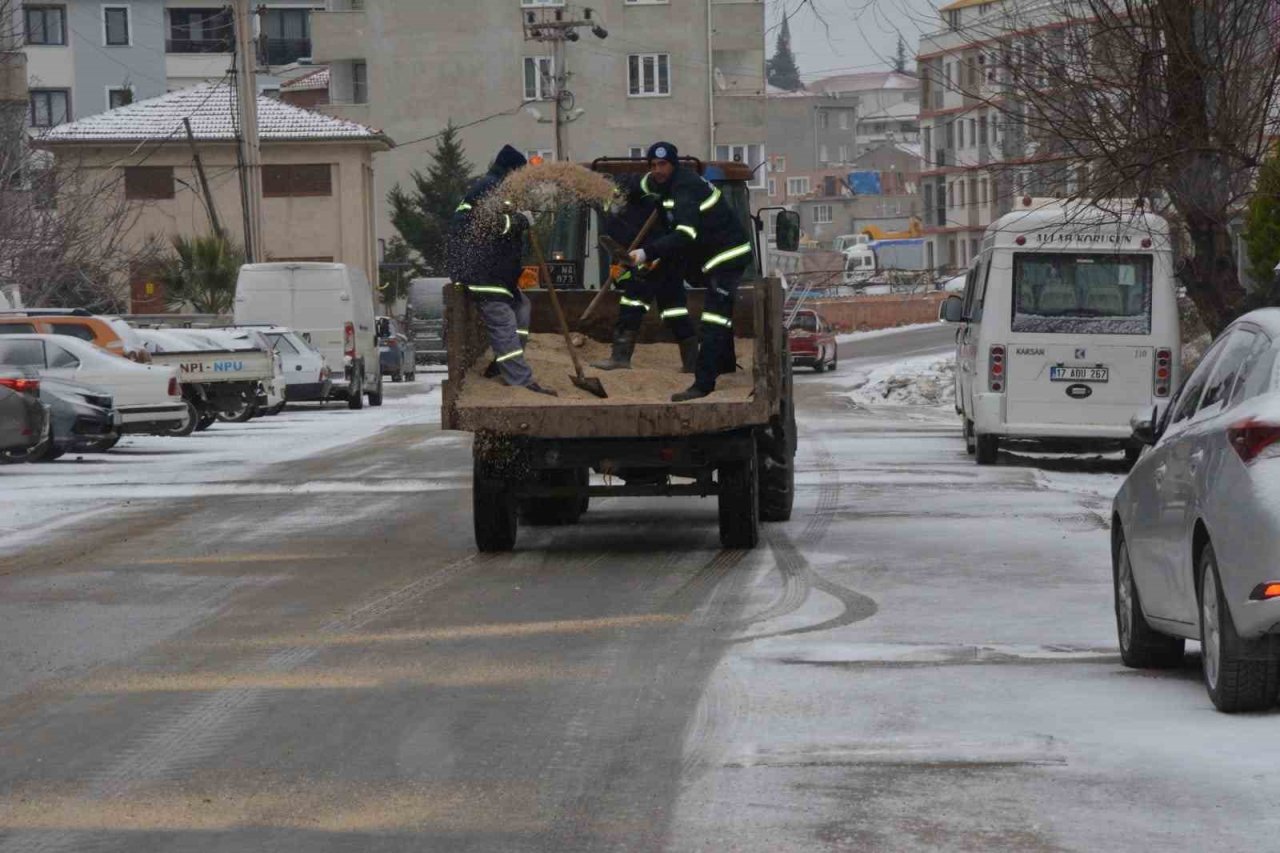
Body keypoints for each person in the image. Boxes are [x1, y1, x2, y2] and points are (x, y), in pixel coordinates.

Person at [630, 141, 754, 402]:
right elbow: (639, 186)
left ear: (673, 165)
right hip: (706, 255)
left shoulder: (685, 187)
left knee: (713, 320)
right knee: (717, 311)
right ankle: (726, 363)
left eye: (662, 165)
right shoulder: (658, 182)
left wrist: (645, 253)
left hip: (727, 255)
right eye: (653, 165)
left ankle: (703, 384)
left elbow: (686, 234)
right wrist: (618, 194)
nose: (657, 170)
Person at [446, 145, 556, 396]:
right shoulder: (490, 187)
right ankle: (520, 380)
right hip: (484, 273)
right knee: (504, 324)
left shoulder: (501, 188)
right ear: (511, 171)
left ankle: (500, 365)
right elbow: (484, 224)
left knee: (522, 309)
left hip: (500, 274)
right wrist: (521, 221)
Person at [591, 174, 697, 373]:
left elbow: (656, 238)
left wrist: (645, 263)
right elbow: (619, 244)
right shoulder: (615, 210)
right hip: (651, 261)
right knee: (674, 309)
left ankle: (620, 357)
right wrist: (620, 271)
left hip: (656, 261)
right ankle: (692, 362)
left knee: (633, 304)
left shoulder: (642, 202)